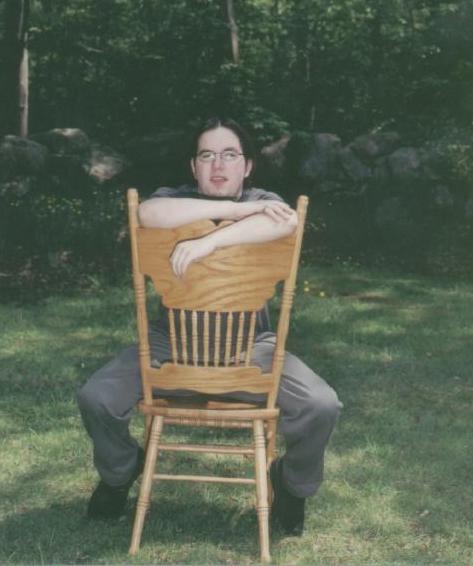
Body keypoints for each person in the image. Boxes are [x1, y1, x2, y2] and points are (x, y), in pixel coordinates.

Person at [77, 117, 341, 536]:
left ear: (247, 166)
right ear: (194, 166)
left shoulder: (264, 201)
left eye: (230, 155)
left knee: (321, 405)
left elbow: (288, 221)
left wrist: (209, 242)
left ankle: (291, 485)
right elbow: (146, 212)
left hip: (249, 347)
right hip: (170, 344)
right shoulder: (175, 199)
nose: (218, 164)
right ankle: (120, 472)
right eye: (207, 155)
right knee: (96, 397)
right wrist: (233, 212)